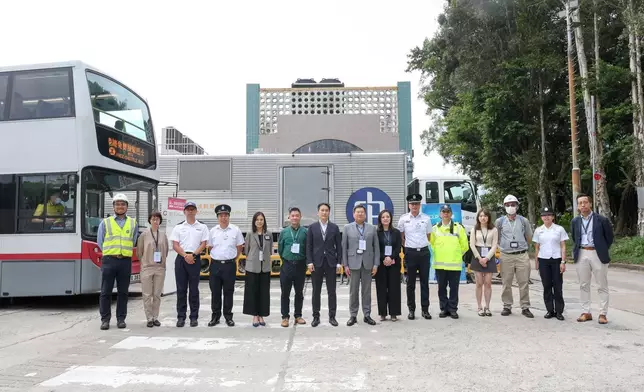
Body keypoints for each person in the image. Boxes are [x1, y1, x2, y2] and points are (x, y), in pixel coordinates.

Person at [571, 193, 614, 324]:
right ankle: (586, 312)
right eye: (580, 203)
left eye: (585, 202)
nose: (583, 205)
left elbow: (609, 238)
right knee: (583, 284)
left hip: (597, 253)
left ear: (590, 203)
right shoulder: (575, 221)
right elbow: (574, 237)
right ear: (578, 206)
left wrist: (600, 248)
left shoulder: (601, 219)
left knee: (602, 285)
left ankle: (603, 313)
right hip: (582, 253)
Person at [97, 193, 138, 330]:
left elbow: (133, 240)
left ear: (127, 207)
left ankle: (121, 319)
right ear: (113, 206)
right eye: (117, 204)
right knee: (105, 291)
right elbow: (100, 242)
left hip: (125, 261)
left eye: (123, 204)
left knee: (123, 292)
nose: (120, 206)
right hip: (109, 260)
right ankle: (105, 320)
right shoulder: (106, 222)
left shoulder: (133, 223)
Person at [170, 201, 208, 327]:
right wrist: (186, 256)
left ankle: (194, 317)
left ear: (196, 211)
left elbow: (203, 244)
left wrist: (193, 255)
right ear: (184, 212)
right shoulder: (178, 227)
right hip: (181, 258)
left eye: (192, 209)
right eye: (188, 209)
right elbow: (175, 245)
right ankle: (181, 317)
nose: (190, 211)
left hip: (195, 258)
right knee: (181, 290)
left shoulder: (202, 226)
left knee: (194, 290)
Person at [496, 194, 534, 318]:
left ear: (517, 206)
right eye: (508, 205)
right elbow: (497, 237)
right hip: (506, 255)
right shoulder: (500, 221)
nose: (510, 207)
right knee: (506, 282)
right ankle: (507, 306)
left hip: (521, 254)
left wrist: (522, 247)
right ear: (504, 207)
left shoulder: (523, 221)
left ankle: (525, 307)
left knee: (523, 282)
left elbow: (529, 237)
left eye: (513, 204)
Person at [342, 204, 379, 326]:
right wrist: (345, 265)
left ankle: (367, 315)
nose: (360, 214)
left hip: (368, 263)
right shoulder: (347, 228)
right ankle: (353, 315)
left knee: (367, 291)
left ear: (365, 214)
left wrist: (376, 264)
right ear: (354, 214)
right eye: (358, 212)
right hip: (353, 264)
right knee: (353, 291)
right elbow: (344, 247)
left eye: (362, 212)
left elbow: (376, 247)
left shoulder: (372, 228)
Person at [208, 204, 245, 327]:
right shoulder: (213, 231)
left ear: (229, 216)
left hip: (229, 265)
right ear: (217, 217)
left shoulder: (235, 230)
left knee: (229, 292)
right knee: (215, 292)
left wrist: (235, 257)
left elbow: (239, 246)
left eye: (226, 215)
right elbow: (210, 247)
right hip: (215, 265)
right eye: (221, 215)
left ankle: (228, 316)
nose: (223, 217)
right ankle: (215, 316)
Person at [397, 193, 433, 320]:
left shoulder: (426, 219)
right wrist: (408, 247)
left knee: (424, 283)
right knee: (410, 283)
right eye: (412, 204)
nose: (414, 206)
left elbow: (428, 236)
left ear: (420, 205)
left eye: (417, 204)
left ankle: (425, 310)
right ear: (409, 205)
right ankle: (411, 310)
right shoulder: (403, 219)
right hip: (410, 253)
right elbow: (401, 237)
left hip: (423, 252)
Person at [306, 203, 342, 327]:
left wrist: (339, 263)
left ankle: (332, 316)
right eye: (322, 210)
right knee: (316, 291)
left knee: (332, 291)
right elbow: (309, 246)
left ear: (329, 212)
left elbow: (339, 246)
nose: (324, 212)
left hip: (331, 263)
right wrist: (309, 262)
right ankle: (316, 316)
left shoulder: (334, 227)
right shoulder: (312, 227)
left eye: (326, 210)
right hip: (317, 263)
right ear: (318, 212)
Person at [431, 204, 469, 319]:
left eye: (448, 211)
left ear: (451, 214)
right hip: (440, 265)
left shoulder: (458, 227)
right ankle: (444, 309)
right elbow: (432, 244)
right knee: (441, 288)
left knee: (454, 288)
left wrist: (456, 255)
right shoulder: (435, 228)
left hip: (454, 265)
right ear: (440, 214)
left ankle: (452, 309)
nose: (446, 213)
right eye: (444, 211)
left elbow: (464, 245)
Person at [533, 207, 568, 321]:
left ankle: (559, 311)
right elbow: (537, 247)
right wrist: (536, 262)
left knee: (558, 286)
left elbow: (563, 246)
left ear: (553, 217)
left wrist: (563, 261)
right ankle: (549, 310)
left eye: (549, 215)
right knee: (547, 285)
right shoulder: (539, 230)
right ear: (541, 217)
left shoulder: (559, 229)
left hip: (556, 260)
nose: (546, 217)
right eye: (544, 215)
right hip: (543, 260)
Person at [136, 211, 169, 327]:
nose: (155, 221)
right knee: (147, 294)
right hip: (147, 267)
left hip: (160, 268)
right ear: (150, 220)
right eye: (153, 219)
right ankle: (149, 318)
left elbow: (166, 250)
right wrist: (145, 262)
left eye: (157, 219)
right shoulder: (144, 235)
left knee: (157, 294)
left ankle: (155, 317)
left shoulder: (163, 234)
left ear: (160, 221)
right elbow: (139, 252)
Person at [278, 207, 308, 327]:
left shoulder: (305, 232)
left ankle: (298, 315)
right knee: (285, 293)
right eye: (293, 215)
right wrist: (286, 259)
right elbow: (280, 249)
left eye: (297, 215)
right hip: (287, 265)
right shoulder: (284, 232)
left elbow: (307, 248)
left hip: (300, 265)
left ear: (300, 217)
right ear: (289, 217)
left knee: (299, 292)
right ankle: (285, 317)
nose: (295, 217)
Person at [243, 212, 273, 327]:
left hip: (264, 267)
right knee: (252, 292)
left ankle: (261, 314)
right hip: (252, 267)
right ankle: (255, 315)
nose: (259, 221)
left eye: (261, 219)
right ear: (254, 221)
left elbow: (269, 250)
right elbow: (247, 250)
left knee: (264, 292)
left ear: (264, 221)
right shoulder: (250, 234)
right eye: (257, 219)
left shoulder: (268, 234)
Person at [469, 209, 498, 317]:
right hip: (477, 255)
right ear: (478, 218)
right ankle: (479, 307)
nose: (483, 218)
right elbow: (472, 245)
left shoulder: (494, 229)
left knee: (488, 283)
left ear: (488, 217)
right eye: (481, 216)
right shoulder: (474, 229)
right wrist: (479, 258)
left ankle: (487, 307)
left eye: (485, 216)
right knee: (479, 283)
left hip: (489, 255)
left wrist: (487, 258)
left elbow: (495, 245)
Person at [375, 209, 402, 321]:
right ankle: (382, 313)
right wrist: (384, 258)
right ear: (380, 220)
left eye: (387, 217)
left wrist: (390, 257)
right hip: (381, 264)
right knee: (381, 288)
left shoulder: (396, 232)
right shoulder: (376, 233)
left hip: (394, 263)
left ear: (391, 219)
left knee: (394, 288)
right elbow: (375, 248)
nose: (385, 219)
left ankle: (394, 313)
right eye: (383, 217)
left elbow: (398, 247)